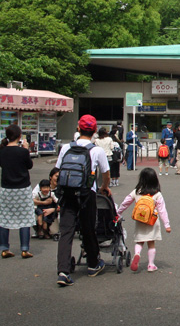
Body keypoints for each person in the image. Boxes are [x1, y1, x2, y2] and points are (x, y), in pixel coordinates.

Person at [56, 115, 111, 286]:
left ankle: (63, 271)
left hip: (67, 193)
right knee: (88, 229)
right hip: (87, 193)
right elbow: (105, 173)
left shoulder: (66, 148)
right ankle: (93, 264)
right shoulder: (96, 150)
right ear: (94, 131)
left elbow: (58, 170)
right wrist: (104, 187)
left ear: (78, 129)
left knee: (66, 231)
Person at [116, 167, 171, 272]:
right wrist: (167, 225)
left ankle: (137, 254)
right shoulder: (156, 194)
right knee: (151, 243)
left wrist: (118, 212)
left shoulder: (137, 191)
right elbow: (162, 210)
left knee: (139, 241)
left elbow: (126, 202)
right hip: (152, 222)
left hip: (140, 220)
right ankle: (151, 265)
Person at [0, 124, 35, 259]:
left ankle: (4, 248)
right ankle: (25, 249)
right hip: (22, 187)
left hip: (6, 188)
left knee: (4, 218)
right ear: (20, 136)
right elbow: (29, 166)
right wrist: (26, 149)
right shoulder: (22, 152)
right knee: (25, 218)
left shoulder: (2, 151)